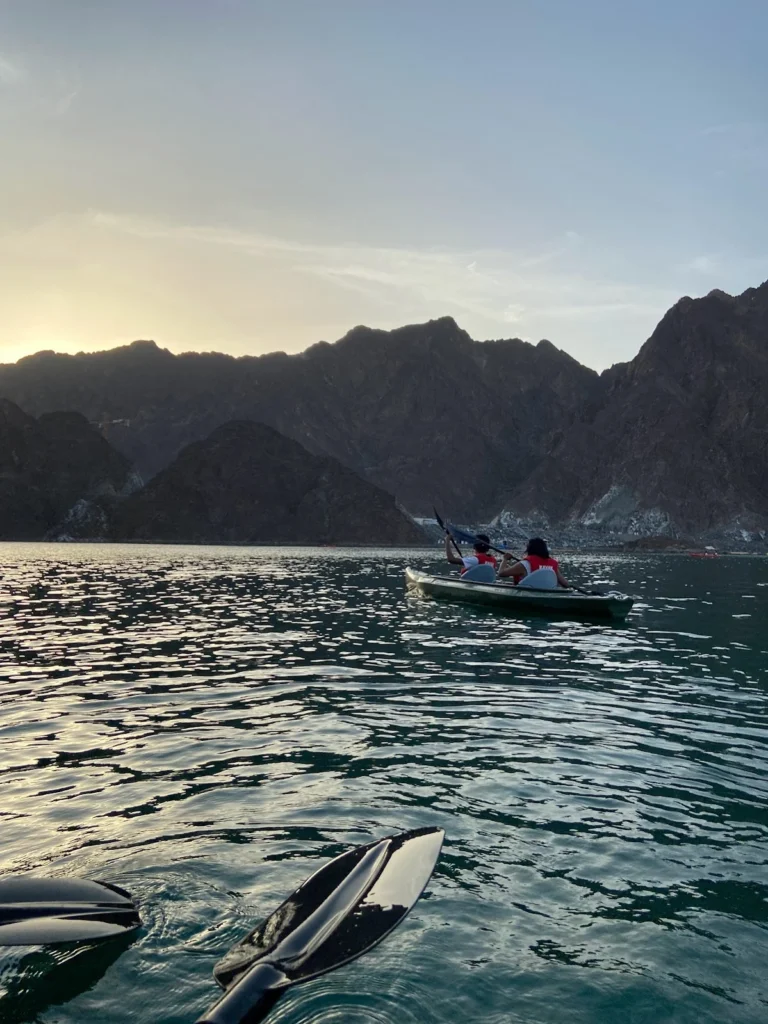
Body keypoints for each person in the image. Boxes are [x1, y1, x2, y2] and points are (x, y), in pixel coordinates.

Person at [498, 537, 570, 590]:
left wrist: (505, 559)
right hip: (548, 594)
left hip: (527, 594)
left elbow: (501, 573)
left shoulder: (524, 564)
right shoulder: (552, 564)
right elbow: (565, 584)